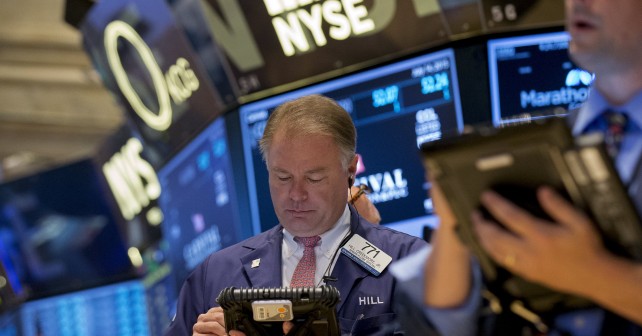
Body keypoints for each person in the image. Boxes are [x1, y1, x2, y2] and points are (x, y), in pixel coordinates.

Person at [392, 0, 642, 335]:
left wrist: (594, 274)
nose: (577, 3)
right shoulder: (538, 147)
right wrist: (456, 227)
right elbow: (442, 323)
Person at [163, 94, 428, 335]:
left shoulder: (410, 263)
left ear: (351, 169)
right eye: (283, 177)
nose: (296, 194)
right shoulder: (214, 275)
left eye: (313, 178)